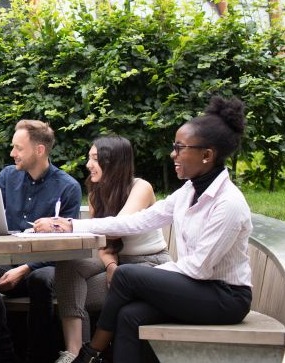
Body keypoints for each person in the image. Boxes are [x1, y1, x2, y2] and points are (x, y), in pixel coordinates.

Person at [34, 96, 252, 363]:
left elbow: (200, 268)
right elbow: (135, 222)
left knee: (126, 276)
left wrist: (139, 277)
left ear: (207, 155)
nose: (173, 154)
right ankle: (90, 354)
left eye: (180, 147)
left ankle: (90, 354)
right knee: (129, 315)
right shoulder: (187, 192)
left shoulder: (228, 203)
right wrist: (70, 225)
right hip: (196, 288)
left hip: (224, 298)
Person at [0, 119, 83, 363]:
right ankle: (6, 355)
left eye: (18, 148)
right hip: (9, 265)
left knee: (40, 280)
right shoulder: (7, 177)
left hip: (46, 269)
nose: (12, 153)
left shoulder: (68, 188)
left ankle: (37, 358)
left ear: (39, 150)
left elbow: (69, 247)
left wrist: (25, 268)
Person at [53, 135, 171, 363]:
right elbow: (102, 241)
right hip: (118, 261)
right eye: (89, 158)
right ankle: (75, 352)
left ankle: (91, 354)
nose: (88, 165)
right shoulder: (97, 192)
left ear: (114, 162)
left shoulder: (141, 187)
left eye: (95, 159)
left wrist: (65, 226)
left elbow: (119, 228)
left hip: (150, 263)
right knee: (69, 266)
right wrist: (110, 265)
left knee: (77, 298)